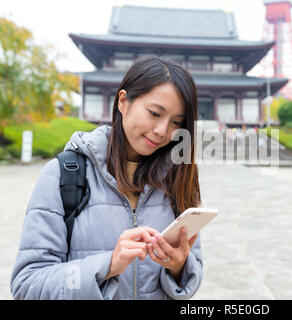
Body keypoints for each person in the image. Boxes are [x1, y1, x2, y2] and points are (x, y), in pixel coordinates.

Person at [10, 56, 203, 300]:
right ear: (123, 101)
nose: (163, 131)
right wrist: (108, 265)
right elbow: (27, 286)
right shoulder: (63, 174)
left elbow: (192, 271)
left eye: (177, 122)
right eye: (154, 113)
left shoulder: (178, 178)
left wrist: (177, 267)